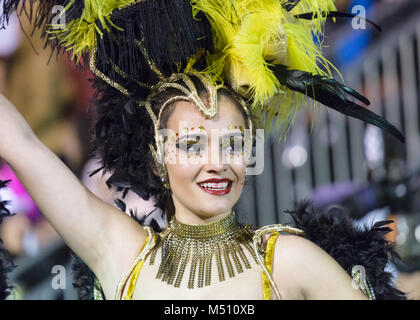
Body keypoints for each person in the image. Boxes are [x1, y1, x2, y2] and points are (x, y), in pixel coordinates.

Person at [0, 0, 407, 300]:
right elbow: (22, 145)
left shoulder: (287, 260)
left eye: (232, 144)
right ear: (159, 156)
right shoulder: (121, 252)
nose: (217, 164)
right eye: (193, 144)